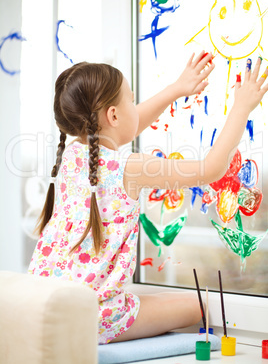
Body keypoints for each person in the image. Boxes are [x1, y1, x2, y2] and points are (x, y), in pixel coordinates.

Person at [28, 52, 268, 344]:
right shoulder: (130, 168)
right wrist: (242, 107)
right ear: (114, 115)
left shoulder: (73, 155)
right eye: (131, 99)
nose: (135, 107)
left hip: (45, 303)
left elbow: (123, 126)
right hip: (93, 315)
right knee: (199, 306)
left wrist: (178, 88)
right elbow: (211, 169)